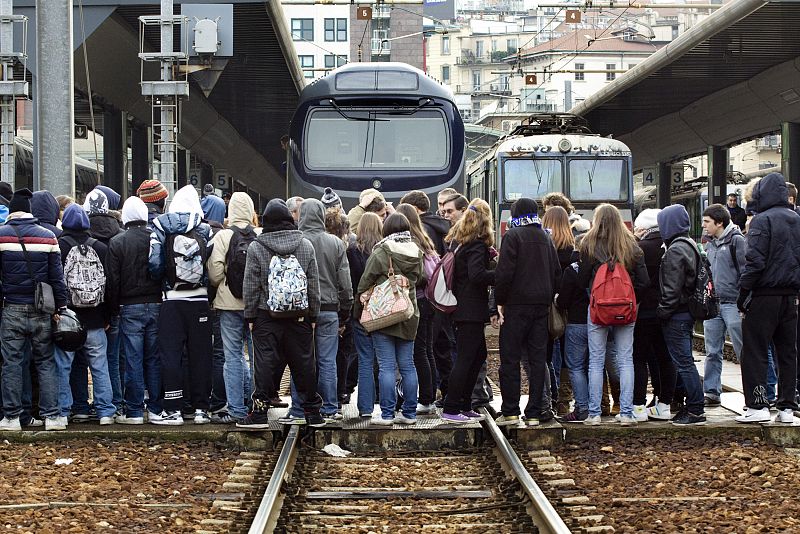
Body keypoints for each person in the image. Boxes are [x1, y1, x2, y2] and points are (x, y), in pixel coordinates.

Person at [238, 199, 324, 428]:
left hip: (267, 315)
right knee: (304, 363)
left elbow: (251, 285)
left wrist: (250, 316)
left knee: (264, 363)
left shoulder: (257, 247)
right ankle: (313, 412)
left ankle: (258, 415)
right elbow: (313, 284)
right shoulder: (305, 245)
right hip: (299, 315)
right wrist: (313, 316)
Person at [0, 188, 69, 431]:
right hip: (42, 309)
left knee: (12, 363)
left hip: (11, 308)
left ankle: (11, 417)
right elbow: (57, 278)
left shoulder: (1, 236)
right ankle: (51, 416)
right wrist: (61, 306)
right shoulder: (48, 237)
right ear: (29, 211)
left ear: (10, 211)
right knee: (46, 362)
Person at [737, 172, 800, 424]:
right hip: (790, 297)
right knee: (787, 352)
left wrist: (743, 294)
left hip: (763, 296)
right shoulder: (796, 219)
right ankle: (787, 408)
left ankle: (758, 404)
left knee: (755, 350)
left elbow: (755, 262)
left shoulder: (762, 221)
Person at [149, 185, 214, 425]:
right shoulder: (205, 229)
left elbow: (154, 264)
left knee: (171, 355)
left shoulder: (160, 227)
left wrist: (164, 283)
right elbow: (212, 265)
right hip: (199, 301)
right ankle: (200, 409)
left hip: (172, 301)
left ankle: (173, 409)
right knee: (201, 355)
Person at [578, 204, 649, 426]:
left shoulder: (588, 244)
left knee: (596, 361)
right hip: (626, 311)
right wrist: (630, 301)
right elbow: (644, 282)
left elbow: (581, 281)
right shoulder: (632, 246)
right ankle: (627, 414)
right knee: (626, 360)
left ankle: (594, 414)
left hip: (598, 311)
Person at [494, 198, 560, 426]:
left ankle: (510, 410)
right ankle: (534, 413)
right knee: (537, 359)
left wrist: (499, 302)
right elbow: (556, 273)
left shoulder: (512, 236)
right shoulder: (546, 237)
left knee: (510, 359)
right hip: (541, 307)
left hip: (515, 306)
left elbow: (504, 274)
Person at [355, 213, 423, 425]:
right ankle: (410, 414)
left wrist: (359, 309)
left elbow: (364, 282)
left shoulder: (383, 251)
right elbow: (419, 279)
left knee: (386, 366)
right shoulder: (416, 251)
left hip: (383, 313)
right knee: (408, 365)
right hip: (408, 313)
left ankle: (387, 414)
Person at [55, 204, 116, 426]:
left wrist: (57, 311)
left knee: (63, 366)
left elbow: (56, 281)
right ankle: (105, 412)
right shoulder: (99, 247)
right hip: (96, 317)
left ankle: (64, 410)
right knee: (100, 366)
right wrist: (108, 315)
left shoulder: (60, 245)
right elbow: (109, 284)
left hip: (68, 319)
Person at [293, 199, 353, 423]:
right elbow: (345, 284)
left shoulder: (296, 241)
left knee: (300, 360)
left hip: (300, 311)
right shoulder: (336, 243)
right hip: (329, 310)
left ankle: (298, 408)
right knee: (328, 361)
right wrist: (345, 312)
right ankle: (329, 407)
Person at [106, 197, 164, 425]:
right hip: (156, 304)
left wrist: (113, 310)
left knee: (133, 359)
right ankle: (157, 408)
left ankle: (135, 411)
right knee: (153, 358)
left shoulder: (117, 242)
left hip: (129, 307)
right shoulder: (155, 237)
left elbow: (113, 281)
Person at [440, 199, 496, 424]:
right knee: (465, 358)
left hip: (463, 307)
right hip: (469, 309)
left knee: (478, 355)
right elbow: (477, 276)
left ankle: (465, 404)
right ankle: (452, 407)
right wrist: (500, 273)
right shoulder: (477, 245)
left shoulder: (461, 242)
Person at [207, 192, 261, 424]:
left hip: (228, 305)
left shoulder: (223, 236)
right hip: (256, 306)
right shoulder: (259, 235)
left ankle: (237, 410)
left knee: (233, 357)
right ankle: (256, 405)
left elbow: (215, 272)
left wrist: (224, 286)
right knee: (258, 356)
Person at [656, 204, 706, 426]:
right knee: (685, 361)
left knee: (684, 363)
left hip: (677, 314)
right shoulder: (689, 244)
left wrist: (662, 312)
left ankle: (695, 409)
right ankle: (693, 406)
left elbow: (671, 288)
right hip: (686, 312)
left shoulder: (676, 249)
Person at [630, 209, 676, 422]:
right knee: (665, 358)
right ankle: (664, 404)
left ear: (644, 228)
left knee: (639, 358)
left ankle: (638, 405)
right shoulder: (671, 247)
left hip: (644, 312)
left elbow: (638, 282)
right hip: (667, 311)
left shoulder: (639, 249)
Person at [700, 204, 745, 408]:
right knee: (712, 351)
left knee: (743, 349)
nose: (703, 225)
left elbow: (745, 272)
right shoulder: (709, 243)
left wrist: (744, 300)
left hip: (733, 303)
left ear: (720, 223)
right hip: (714, 305)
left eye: (707, 222)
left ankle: (754, 391)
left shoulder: (736, 241)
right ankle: (711, 391)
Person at [396, 203, 438, 414]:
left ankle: (426, 398)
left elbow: (419, 275)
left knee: (419, 351)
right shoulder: (425, 240)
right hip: (429, 301)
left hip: (418, 300)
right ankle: (429, 396)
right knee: (427, 349)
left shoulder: (410, 243)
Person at [541, 206, 577, 414]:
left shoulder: (545, 248)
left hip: (548, 309)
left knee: (547, 354)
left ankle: (550, 396)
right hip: (570, 309)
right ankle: (564, 399)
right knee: (568, 355)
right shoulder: (572, 249)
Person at [347, 213, 383, 416]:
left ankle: (366, 407)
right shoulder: (384, 250)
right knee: (385, 360)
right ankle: (386, 405)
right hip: (383, 310)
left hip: (360, 311)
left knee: (364, 359)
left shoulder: (352, 251)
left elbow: (351, 283)